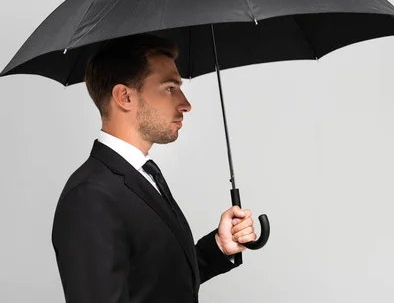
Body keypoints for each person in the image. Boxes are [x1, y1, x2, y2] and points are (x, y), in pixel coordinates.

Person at [51, 34, 256, 302]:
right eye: (170, 88)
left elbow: (153, 281)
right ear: (124, 96)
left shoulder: (142, 174)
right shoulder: (90, 196)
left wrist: (217, 246)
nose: (185, 104)